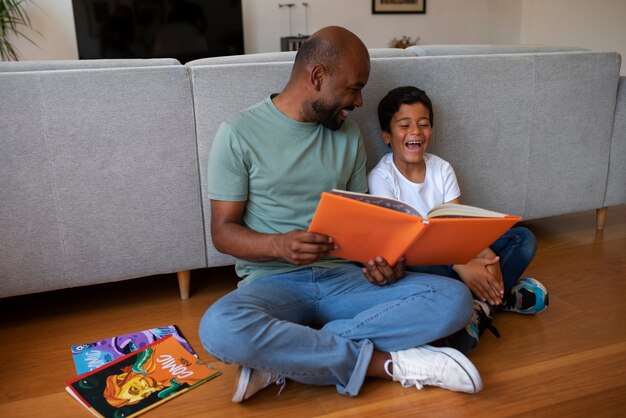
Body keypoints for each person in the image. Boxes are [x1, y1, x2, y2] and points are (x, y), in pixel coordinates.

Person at [199, 27, 483, 403]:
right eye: (354, 88)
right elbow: (223, 233)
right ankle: (389, 365)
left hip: (346, 280)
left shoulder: (347, 135)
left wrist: (384, 261)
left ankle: (290, 355)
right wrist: (279, 245)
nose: (360, 102)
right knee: (219, 328)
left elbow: (364, 220)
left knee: (454, 300)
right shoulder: (238, 133)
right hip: (274, 283)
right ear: (317, 77)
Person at [368, 86, 549, 353]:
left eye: (423, 124)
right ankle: (501, 295)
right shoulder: (381, 177)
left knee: (523, 239)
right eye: (404, 125)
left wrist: (486, 257)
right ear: (387, 135)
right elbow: (400, 243)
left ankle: (480, 306)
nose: (415, 131)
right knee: (413, 265)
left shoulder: (441, 169)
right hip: (422, 262)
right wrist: (461, 264)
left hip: (456, 250)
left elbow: (459, 226)